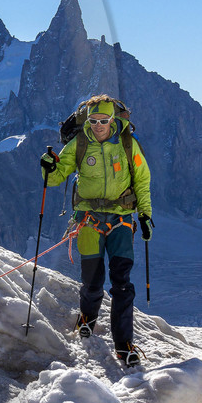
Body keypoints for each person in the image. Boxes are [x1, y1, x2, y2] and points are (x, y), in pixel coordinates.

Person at [40, 95, 154, 367]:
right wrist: (48, 167)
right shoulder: (78, 144)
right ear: (87, 121)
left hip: (122, 221)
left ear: (113, 120)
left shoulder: (128, 143)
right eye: (93, 121)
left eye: (104, 121)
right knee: (92, 282)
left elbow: (142, 179)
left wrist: (145, 214)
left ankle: (123, 343)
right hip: (89, 220)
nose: (99, 125)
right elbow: (56, 177)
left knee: (122, 285)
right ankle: (88, 317)